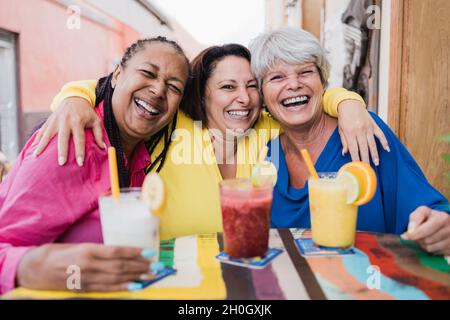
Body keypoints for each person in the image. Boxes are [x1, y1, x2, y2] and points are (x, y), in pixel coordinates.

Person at [33, 44, 390, 241]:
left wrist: (348, 103)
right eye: (228, 87)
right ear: (201, 97)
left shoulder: (267, 128)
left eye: (252, 86)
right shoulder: (172, 125)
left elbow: (308, 100)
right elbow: (116, 89)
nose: (245, 99)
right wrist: (73, 99)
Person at [0, 37, 191, 294]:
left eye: (173, 87)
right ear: (117, 75)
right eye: (147, 73)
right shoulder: (71, 143)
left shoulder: (143, 154)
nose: (158, 90)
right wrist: (31, 266)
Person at [248, 27, 450, 255]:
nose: (294, 84)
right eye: (277, 77)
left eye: (305, 72)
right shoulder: (266, 156)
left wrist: (439, 226)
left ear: (323, 82)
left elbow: (427, 206)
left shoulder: (362, 130)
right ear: (262, 96)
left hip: (367, 285)